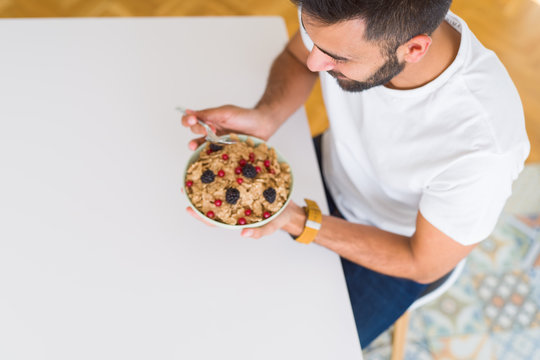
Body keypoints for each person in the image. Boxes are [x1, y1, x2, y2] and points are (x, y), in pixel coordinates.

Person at [182, 0, 530, 347]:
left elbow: (421, 262)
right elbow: (296, 59)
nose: (315, 61)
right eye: (312, 39)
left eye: (338, 58)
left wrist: (296, 220)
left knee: (291, 347)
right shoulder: (349, 29)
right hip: (331, 170)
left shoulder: (485, 147)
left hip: (394, 247)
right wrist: (267, 115)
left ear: (414, 49)